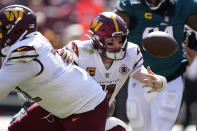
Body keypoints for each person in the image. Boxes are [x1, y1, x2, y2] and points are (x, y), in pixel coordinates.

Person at [9, 12, 167, 131]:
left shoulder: (131, 53)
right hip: (64, 108)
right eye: (110, 41)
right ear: (96, 40)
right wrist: (63, 57)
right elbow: (51, 69)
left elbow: (140, 73)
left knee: (117, 128)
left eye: (121, 40)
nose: (117, 46)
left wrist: (160, 82)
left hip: (97, 113)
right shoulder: (79, 50)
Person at [0, 5, 110, 131]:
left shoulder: (24, 54)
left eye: (3, 30)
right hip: (63, 104)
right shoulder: (33, 39)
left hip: (85, 107)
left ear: (16, 30)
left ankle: (113, 128)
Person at [114, 0, 197, 131]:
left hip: (170, 76)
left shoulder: (183, 5)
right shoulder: (130, 5)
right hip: (139, 76)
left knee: (161, 127)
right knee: (139, 127)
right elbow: (112, 31)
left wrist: (191, 41)